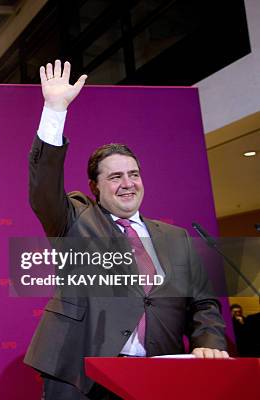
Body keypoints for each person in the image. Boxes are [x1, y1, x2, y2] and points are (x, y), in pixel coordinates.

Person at [23, 60, 228, 399]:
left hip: (156, 375)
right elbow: (43, 188)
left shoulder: (175, 238)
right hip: (81, 375)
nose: (128, 184)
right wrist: (54, 110)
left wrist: (209, 341)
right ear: (95, 186)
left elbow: (204, 303)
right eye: (115, 177)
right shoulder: (75, 221)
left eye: (134, 174)